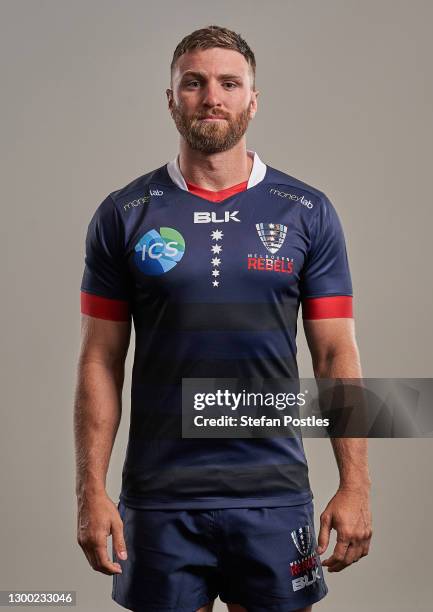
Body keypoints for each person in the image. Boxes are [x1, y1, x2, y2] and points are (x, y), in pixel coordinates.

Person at [74, 24, 372, 612]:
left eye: (229, 83)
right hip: (160, 499)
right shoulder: (123, 214)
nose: (212, 97)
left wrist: (356, 484)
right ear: (171, 99)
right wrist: (90, 490)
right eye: (194, 83)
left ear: (252, 100)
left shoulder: (306, 212)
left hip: (274, 495)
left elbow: (336, 355)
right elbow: (100, 361)